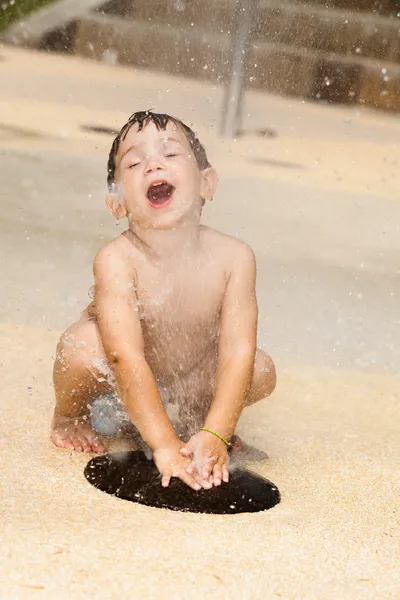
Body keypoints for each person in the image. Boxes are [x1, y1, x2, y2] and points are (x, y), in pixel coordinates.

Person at [51, 110, 276, 491]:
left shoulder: (234, 257)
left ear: (206, 182)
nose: (153, 163)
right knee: (80, 347)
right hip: (118, 377)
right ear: (117, 203)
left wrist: (217, 433)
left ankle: (196, 422)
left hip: (190, 377)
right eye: (135, 163)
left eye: (171, 155)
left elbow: (238, 348)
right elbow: (125, 356)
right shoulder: (118, 260)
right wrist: (165, 445)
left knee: (259, 369)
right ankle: (68, 414)